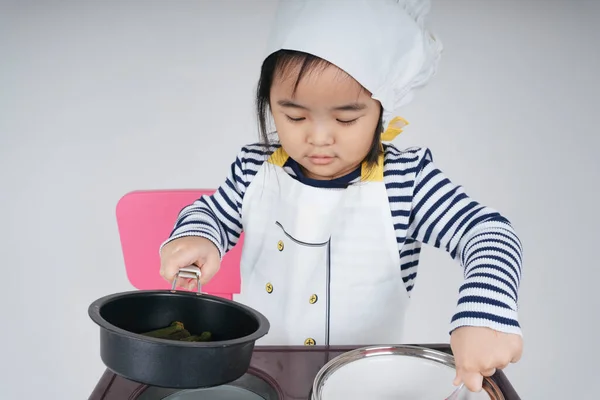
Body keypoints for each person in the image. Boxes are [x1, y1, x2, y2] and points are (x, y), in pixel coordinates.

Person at [159, 0, 523, 393]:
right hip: (262, 377)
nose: (318, 138)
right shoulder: (254, 169)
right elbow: (212, 212)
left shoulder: (406, 182)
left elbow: (488, 233)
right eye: (294, 116)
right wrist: (197, 234)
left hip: (366, 386)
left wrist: (486, 314)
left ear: (382, 108)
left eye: (346, 119)